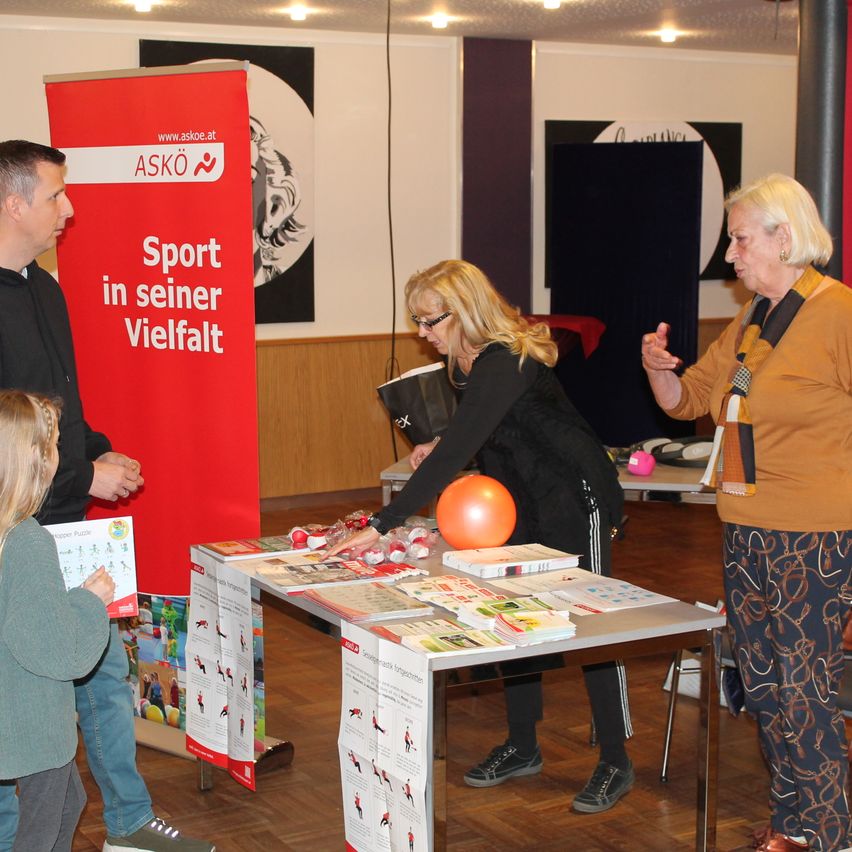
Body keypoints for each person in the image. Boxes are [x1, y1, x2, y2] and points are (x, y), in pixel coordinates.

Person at [327, 259, 633, 813]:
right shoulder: (464, 364)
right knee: (514, 619)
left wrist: (382, 524)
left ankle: (615, 758)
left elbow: (459, 449)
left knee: (591, 629)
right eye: (418, 321)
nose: (423, 332)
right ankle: (523, 744)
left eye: (431, 320)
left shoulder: (504, 360)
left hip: (575, 498)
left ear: (464, 311)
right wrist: (443, 441)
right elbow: (483, 430)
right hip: (520, 503)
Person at [0, 140, 215, 851]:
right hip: (12, 534)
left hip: (67, 522)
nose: (70, 208)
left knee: (104, 675)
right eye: (57, 194)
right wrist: (81, 475)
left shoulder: (44, 287)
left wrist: (96, 451)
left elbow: (61, 408)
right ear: (14, 203)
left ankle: (128, 823)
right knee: (20, 695)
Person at [641, 173, 852, 852]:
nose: (729, 255)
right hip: (745, 529)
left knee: (805, 691)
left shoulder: (838, 314)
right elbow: (690, 400)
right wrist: (658, 368)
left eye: (739, 240)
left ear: (783, 238)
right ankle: (793, 822)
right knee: (762, 686)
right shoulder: (756, 318)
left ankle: (829, 833)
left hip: (813, 535)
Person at [0, 391, 113, 851]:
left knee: (69, 802)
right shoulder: (27, 541)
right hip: (30, 721)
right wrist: (90, 601)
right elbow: (60, 652)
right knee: (43, 830)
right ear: (38, 460)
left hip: (13, 710)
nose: (59, 456)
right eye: (54, 446)